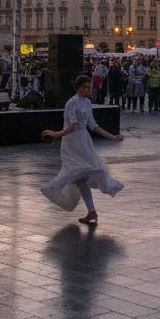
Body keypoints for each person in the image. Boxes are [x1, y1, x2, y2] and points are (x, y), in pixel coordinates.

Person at [41, 76, 125, 225]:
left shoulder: (87, 102)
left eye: (89, 87)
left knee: (82, 176)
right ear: (78, 87)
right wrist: (57, 134)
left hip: (83, 141)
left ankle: (91, 211)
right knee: (77, 175)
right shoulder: (71, 103)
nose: (88, 90)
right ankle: (89, 210)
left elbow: (93, 125)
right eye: (85, 87)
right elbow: (72, 125)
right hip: (72, 143)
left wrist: (112, 137)